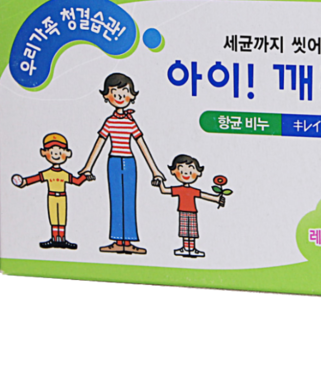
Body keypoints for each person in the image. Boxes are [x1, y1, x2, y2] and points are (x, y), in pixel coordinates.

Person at [79, 73, 164, 255]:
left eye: (124, 93)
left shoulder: (130, 122)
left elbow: (141, 145)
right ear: (107, 96)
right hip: (114, 162)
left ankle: (129, 241)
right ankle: (118, 240)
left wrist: (155, 170)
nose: (120, 97)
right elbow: (100, 143)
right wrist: (88, 167)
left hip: (130, 162)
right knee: (116, 200)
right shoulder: (109, 122)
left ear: (131, 95)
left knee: (129, 201)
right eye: (115, 93)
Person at [12, 133, 87, 249]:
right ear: (45, 153)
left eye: (59, 152)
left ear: (66, 153)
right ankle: (54, 239)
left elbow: (77, 181)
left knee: (62, 218)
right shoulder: (48, 173)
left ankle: (62, 239)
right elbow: (36, 178)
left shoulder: (64, 174)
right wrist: (24, 182)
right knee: (53, 218)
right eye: (52, 152)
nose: (56, 155)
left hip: (62, 197)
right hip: (51, 197)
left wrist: (85, 176)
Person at [156, 154, 225, 258]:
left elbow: (203, 195)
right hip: (182, 211)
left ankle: (192, 249)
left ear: (198, 172)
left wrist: (217, 199)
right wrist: (160, 182)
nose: (186, 174)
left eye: (190, 172)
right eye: (182, 171)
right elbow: (164, 190)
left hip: (192, 212)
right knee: (184, 231)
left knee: (192, 232)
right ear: (174, 171)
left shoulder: (193, 190)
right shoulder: (179, 189)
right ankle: (185, 248)